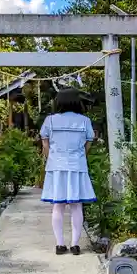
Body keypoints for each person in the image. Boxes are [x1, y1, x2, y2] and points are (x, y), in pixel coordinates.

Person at [40, 88, 96, 256]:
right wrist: (79, 156)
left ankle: (59, 244)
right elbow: (88, 143)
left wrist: (53, 158)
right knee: (76, 206)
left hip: (56, 166)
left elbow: (45, 144)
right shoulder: (85, 121)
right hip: (77, 166)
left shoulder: (50, 120)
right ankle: (75, 245)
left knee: (58, 206)